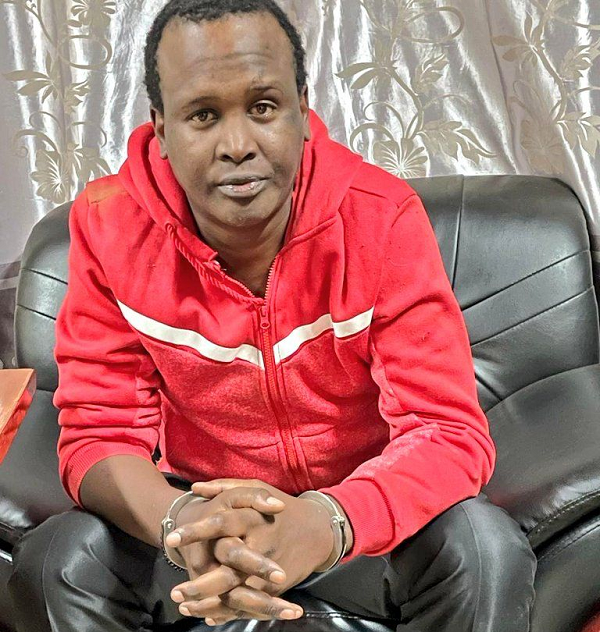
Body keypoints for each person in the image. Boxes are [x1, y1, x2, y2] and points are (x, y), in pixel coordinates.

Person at [8, 0, 537, 630]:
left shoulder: (381, 218)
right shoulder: (108, 227)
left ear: (303, 112)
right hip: (196, 534)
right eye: (203, 115)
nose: (238, 146)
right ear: (161, 128)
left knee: (482, 548)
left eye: (263, 107)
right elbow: (99, 432)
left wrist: (330, 521)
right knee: (61, 561)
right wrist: (184, 524)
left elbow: (447, 430)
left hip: (360, 528)